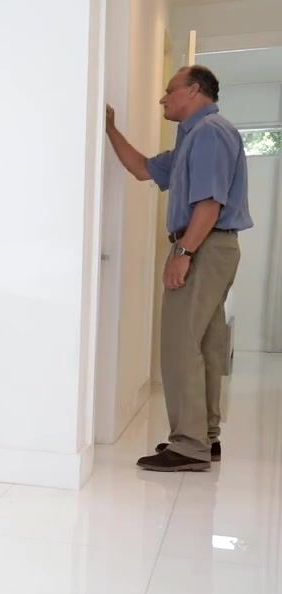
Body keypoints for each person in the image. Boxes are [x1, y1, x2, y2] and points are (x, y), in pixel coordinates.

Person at [105, 65, 252, 472]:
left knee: (180, 344)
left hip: (203, 244)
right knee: (204, 344)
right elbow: (142, 169)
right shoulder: (192, 138)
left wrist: (184, 252)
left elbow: (210, 203)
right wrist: (110, 130)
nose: (163, 99)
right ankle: (205, 436)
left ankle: (189, 445)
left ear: (194, 90)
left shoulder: (209, 133)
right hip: (211, 245)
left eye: (169, 91)